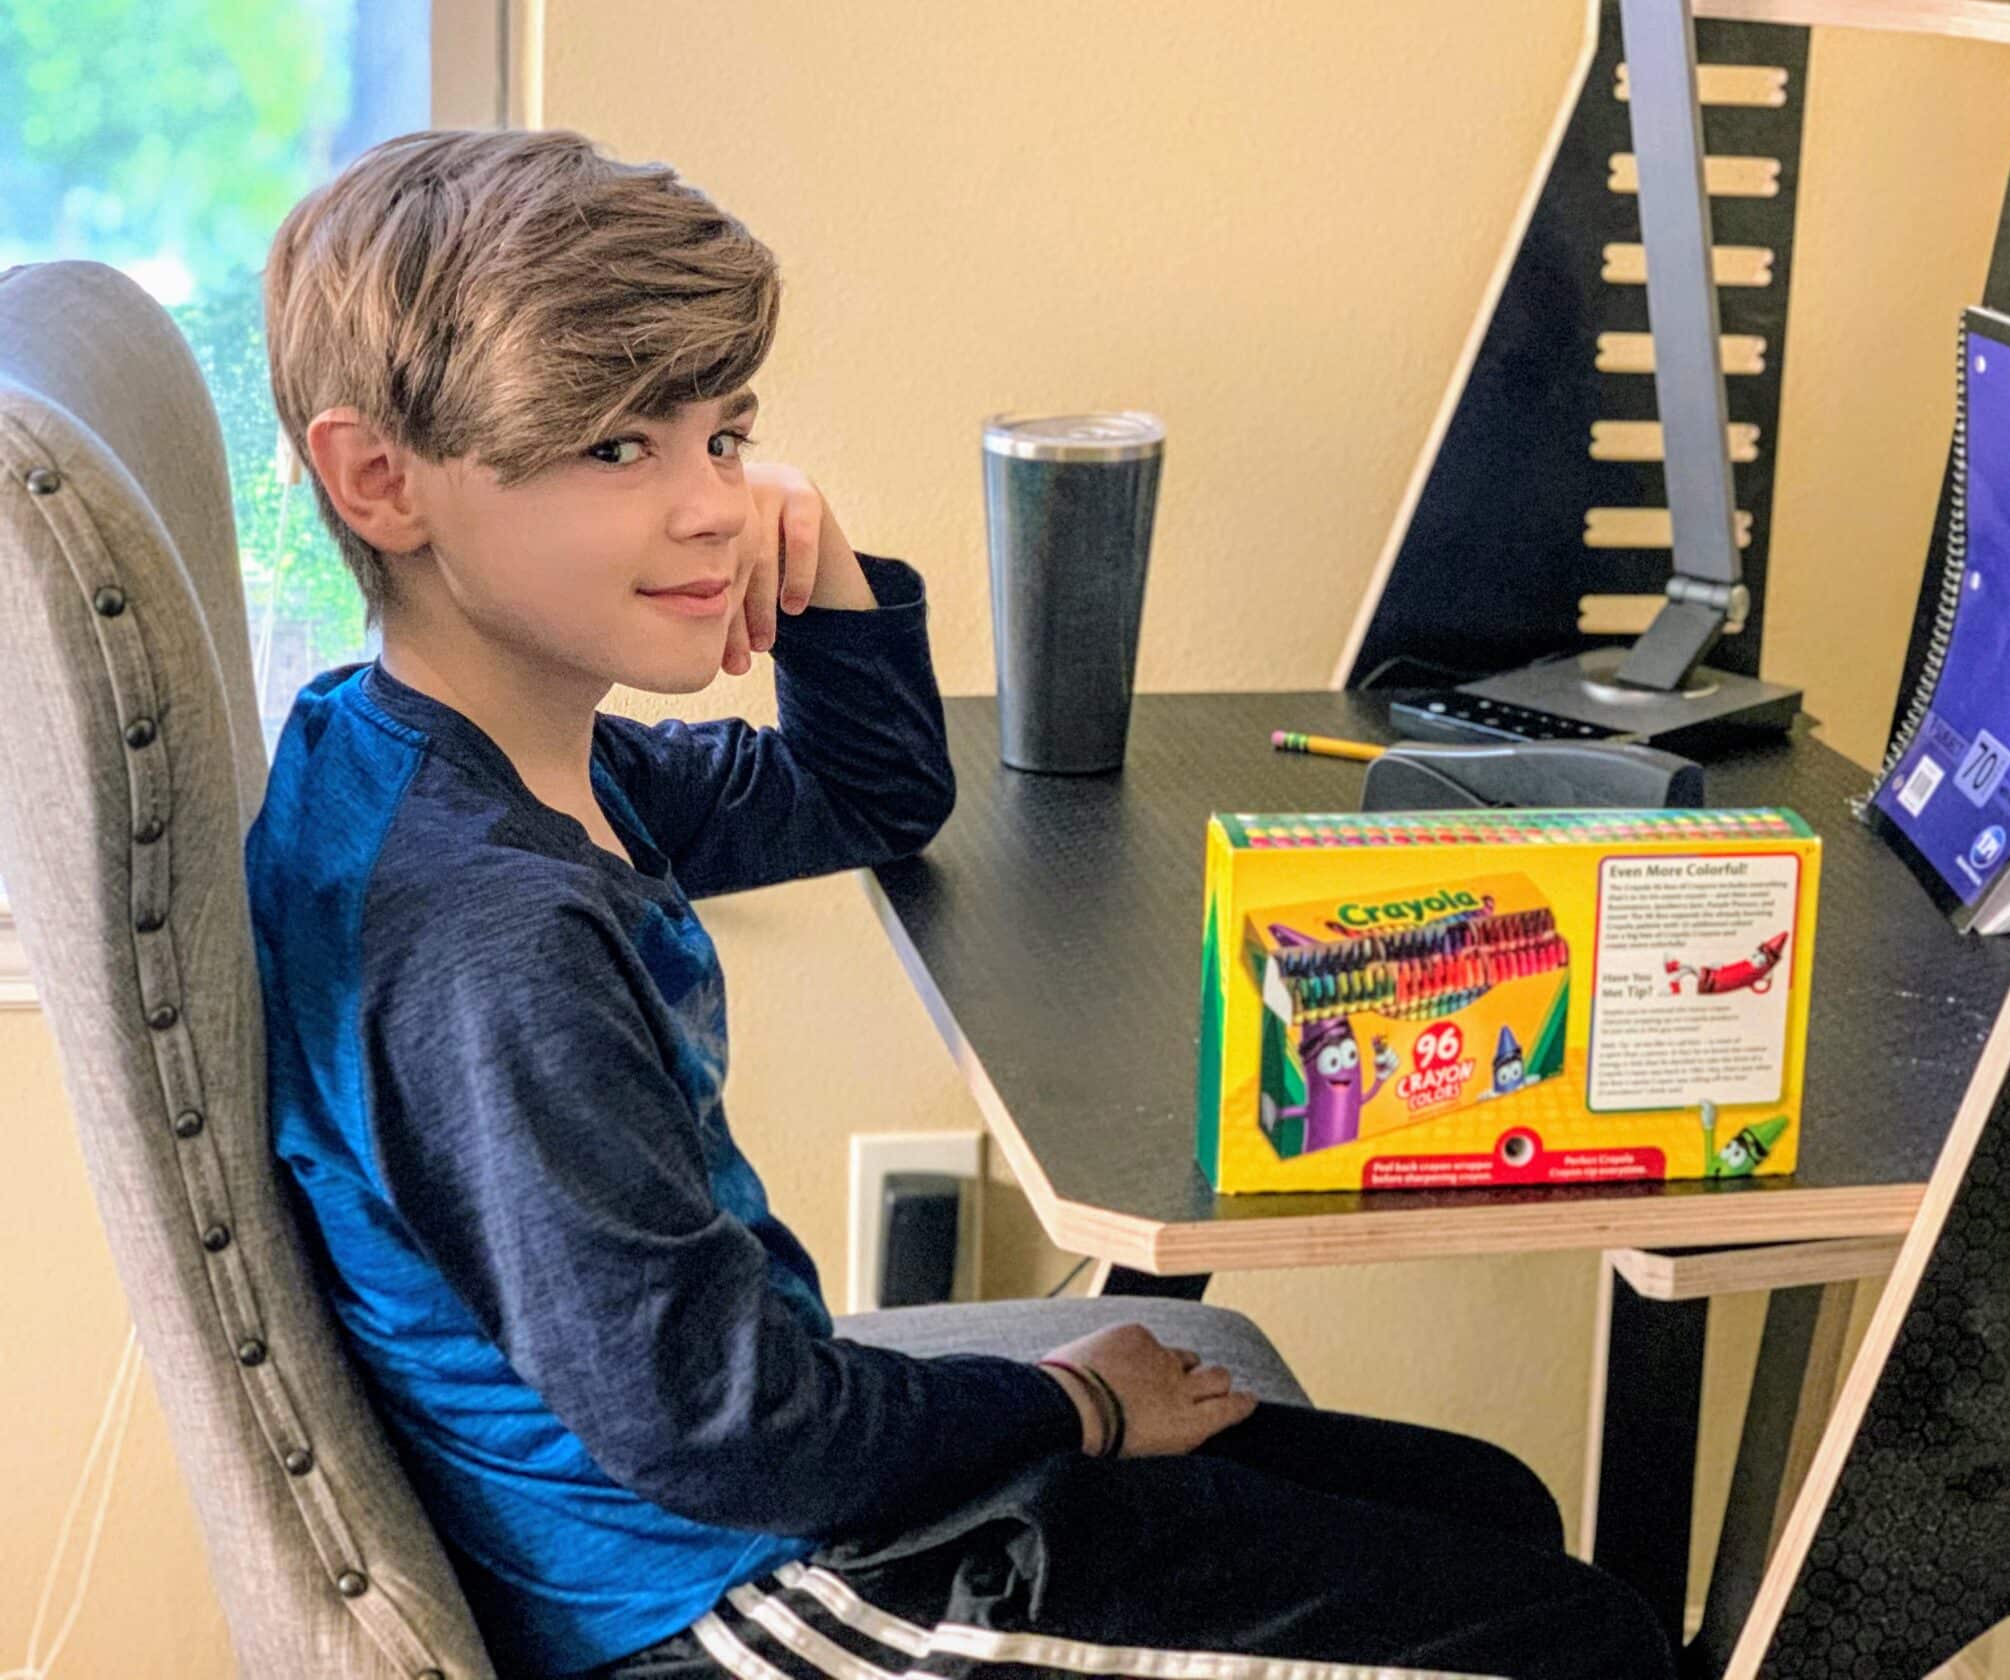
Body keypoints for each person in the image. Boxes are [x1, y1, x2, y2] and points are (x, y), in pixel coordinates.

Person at [246, 128, 1677, 1680]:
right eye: (617, 449)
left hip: (758, 1500)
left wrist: (826, 560)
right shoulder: (486, 938)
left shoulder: (461, 752)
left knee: (1494, 1511)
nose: (713, 506)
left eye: (723, 435)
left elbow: (865, 800)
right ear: (379, 480)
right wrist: (1076, 1403)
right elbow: (731, 1432)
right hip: (740, 1604)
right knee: (1579, 1642)